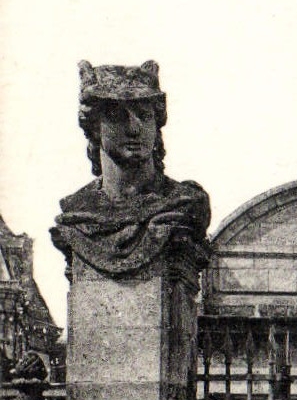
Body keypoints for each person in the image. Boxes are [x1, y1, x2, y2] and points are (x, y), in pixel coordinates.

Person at [52, 62, 210, 279]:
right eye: (117, 116)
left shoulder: (183, 202)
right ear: (95, 128)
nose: (134, 128)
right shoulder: (77, 212)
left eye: (144, 116)